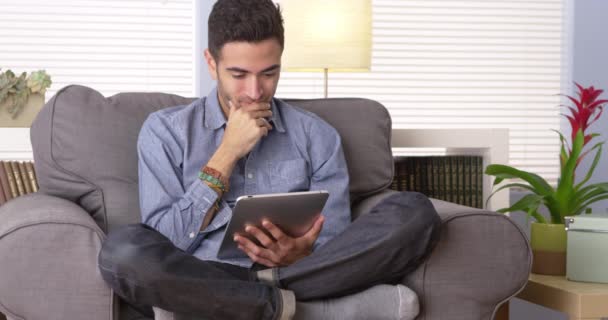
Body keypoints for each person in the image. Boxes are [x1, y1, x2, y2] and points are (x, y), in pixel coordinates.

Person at [98, 0, 441, 319]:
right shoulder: (165, 132)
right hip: (201, 272)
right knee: (122, 253)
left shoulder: (316, 136)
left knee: (415, 213)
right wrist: (226, 153)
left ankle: (246, 300)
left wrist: (300, 252)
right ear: (211, 63)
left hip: (295, 271)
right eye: (239, 74)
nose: (255, 91)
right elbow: (164, 242)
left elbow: (337, 243)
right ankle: (298, 308)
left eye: (269, 73)